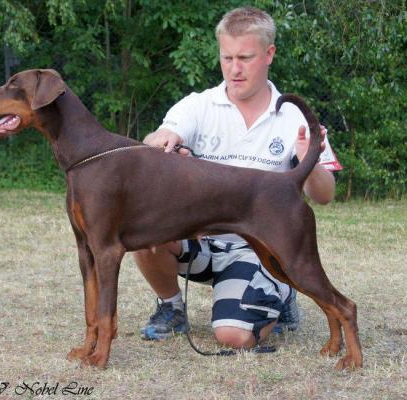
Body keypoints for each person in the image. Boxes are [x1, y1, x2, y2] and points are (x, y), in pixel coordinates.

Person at [134, 6, 336, 349]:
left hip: (259, 248)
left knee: (233, 337)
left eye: (245, 57)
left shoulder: (292, 117)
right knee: (143, 227)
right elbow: (161, 135)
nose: (234, 69)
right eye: (227, 58)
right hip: (200, 238)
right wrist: (159, 143)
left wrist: (309, 161)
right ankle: (170, 307)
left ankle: (281, 293)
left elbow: (325, 194)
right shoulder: (199, 105)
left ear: (269, 54)